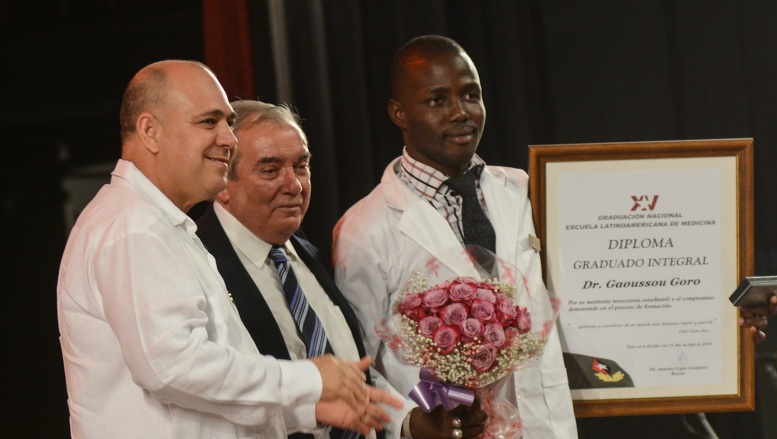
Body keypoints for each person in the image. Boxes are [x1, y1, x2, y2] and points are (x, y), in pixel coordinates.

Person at [57, 60, 377, 438]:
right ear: (150, 131)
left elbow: (203, 400)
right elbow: (171, 367)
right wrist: (307, 379)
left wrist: (304, 411)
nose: (229, 138)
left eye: (227, 122)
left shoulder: (164, 225)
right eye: (209, 122)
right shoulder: (133, 227)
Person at [195, 99, 487, 439]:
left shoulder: (300, 251)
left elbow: (353, 370)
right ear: (223, 183)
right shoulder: (201, 263)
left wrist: (409, 423)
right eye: (271, 170)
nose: (295, 186)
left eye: (301, 166)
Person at [332, 35, 578, 438]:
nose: (460, 113)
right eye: (437, 100)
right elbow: (358, 365)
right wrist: (410, 424)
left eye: (470, 95)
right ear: (399, 113)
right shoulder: (365, 228)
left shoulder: (524, 189)